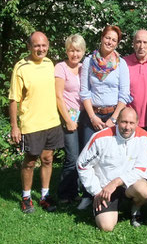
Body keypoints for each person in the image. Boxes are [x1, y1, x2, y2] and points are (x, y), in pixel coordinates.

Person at [9, 31, 63, 213]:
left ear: (48, 45)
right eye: (37, 45)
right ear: (29, 47)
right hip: (31, 124)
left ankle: (45, 196)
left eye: (44, 45)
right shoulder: (21, 67)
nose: (41, 49)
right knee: (30, 162)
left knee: (48, 159)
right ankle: (26, 197)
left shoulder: (50, 64)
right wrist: (14, 126)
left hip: (51, 122)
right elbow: (13, 99)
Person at [79, 25, 133, 209]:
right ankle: (88, 194)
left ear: (117, 43)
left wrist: (114, 119)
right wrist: (93, 116)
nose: (109, 42)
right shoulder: (88, 61)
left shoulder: (121, 64)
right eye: (107, 38)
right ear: (102, 38)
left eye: (114, 40)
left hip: (113, 115)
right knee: (89, 157)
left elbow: (124, 94)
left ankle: (113, 194)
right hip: (92, 115)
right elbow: (84, 92)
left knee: (112, 156)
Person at [77, 107, 147, 231]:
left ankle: (135, 210)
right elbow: (82, 165)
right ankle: (103, 205)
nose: (127, 127)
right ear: (117, 121)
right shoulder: (100, 138)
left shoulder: (144, 137)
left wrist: (116, 182)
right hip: (104, 188)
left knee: (144, 190)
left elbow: (142, 169)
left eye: (131, 123)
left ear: (137, 123)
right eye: (124, 122)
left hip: (128, 185)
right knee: (106, 226)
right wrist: (96, 191)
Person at [55, 34, 86, 204]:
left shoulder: (83, 67)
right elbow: (58, 96)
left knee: (83, 156)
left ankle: (77, 192)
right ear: (67, 51)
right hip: (69, 116)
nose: (75, 54)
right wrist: (67, 120)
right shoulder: (61, 67)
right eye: (72, 50)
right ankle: (64, 194)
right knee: (72, 157)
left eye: (78, 50)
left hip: (85, 117)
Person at [124, 30, 147, 143]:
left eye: (145, 42)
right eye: (138, 42)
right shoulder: (124, 63)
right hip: (130, 121)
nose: (141, 46)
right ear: (133, 43)